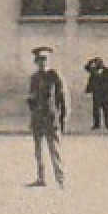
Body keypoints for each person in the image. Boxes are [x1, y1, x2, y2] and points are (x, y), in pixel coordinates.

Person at [27, 47, 66, 187]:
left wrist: (63, 119)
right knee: (38, 151)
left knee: (54, 150)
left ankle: (61, 179)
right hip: (37, 119)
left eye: (45, 59)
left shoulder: (55, 76)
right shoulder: (34, 78)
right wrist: (32, 109)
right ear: (36, 62)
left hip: (51, 118)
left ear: (49, 60)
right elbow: (31, 98)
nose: (42, 62)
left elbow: (63, 98)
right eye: (39, 60)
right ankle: (41, 178)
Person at [84, 58, 108, 131]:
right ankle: (96, 125)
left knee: (106, 110)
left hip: (106, 94)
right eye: (96, 63)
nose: (98, 65)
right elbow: (86, 68)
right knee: (96, 110)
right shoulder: (94, 72)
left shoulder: (107, 71)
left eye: (99, 63)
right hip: (97, 94)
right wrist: (90, 62)